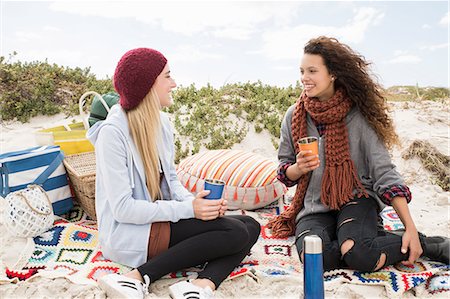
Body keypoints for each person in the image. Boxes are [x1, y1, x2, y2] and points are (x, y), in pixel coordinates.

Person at [87, 48, 260, 299]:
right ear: (147, 85)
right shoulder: (112, 135)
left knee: (249, 225)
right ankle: (138, 277)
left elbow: (171, 180)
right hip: (131, 231)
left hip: (160, 218)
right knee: (234, 232)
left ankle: (201, 286)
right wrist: (189, 211)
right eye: (167, 77)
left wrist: (196, 202)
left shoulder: (162, 125)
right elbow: (123, 209)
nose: (174, 83)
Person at [268, 36, 449, 272]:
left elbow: (384, 173)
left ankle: (427, 244)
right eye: (302, 71)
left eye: (312, 71)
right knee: (316, 258)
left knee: (360, 255)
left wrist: (411, 228)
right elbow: (284, 171)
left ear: (332, 73)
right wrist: (298, 169)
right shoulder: (294, 116)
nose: (304, 78)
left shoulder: (360, 116)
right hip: (314, 206)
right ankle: (360, 240)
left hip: (357, 199)